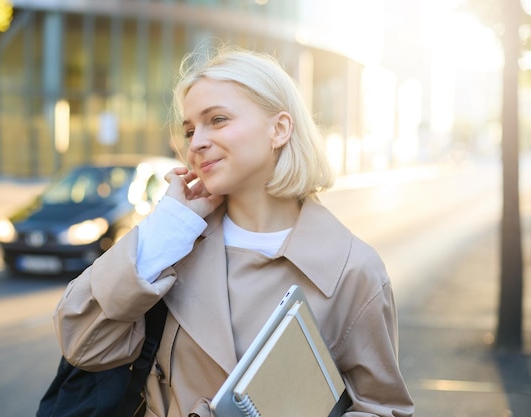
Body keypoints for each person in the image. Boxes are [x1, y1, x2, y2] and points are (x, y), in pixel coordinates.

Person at [53, 46, 414, 417]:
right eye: (190, 130)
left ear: (279, 129)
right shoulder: (174, 244)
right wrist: (166, 229)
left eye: (218, 119)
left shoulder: (352, 270)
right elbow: (82, 343)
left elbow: (381, 409)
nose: (196, 143)